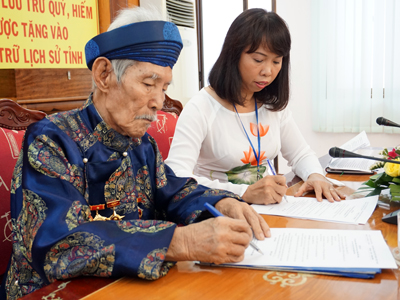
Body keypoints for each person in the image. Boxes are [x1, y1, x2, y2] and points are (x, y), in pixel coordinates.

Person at [0, 7, 270, 300]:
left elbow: (174, 192)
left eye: (164, 87)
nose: (158, 101)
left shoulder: (143, 145)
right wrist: (178, 242)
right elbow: (58, 243)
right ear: (104, 74)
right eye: (148, 83)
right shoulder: (51, 140)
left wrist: (225, 202)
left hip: (129, 286)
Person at [166, 8, 346, 205]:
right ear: (234, 55)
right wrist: (243, 192)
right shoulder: (201, 107)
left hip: (270, 210)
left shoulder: (272, 105)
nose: (268, 71)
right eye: (258, 60)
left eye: (277, 61)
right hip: (220, 212)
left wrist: (315, 175)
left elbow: (300, 153)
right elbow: (177, 176)